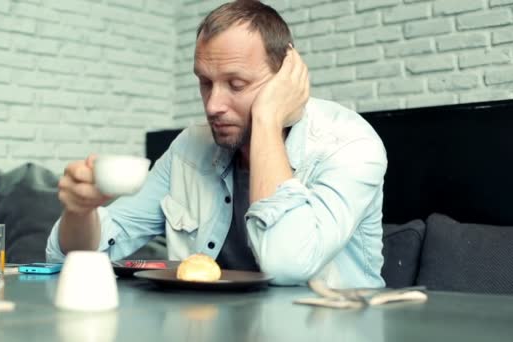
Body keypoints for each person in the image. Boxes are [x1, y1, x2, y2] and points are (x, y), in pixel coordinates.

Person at [46, 0, 387, 288]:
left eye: (236, 85)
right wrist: (80, 211)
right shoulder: (189, 148)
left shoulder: (350, 145)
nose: (212, 105)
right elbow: (80, 255)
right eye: (205, 82)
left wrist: (267, 120)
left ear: (284, 78)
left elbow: (287, 264)